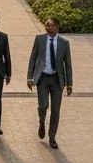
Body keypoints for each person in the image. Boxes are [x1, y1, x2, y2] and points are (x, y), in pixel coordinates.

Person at [27, 17, 73, 149]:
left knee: (55, 110)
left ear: (57, 27)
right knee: (43, 106)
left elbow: (68, 65)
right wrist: (29, 77)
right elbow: (33, 58)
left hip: (57, 81)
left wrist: (69, 84)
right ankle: (41, 122)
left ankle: (52, 136)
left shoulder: (64, 43)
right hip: (42, 78)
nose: (48, 28)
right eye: (47, 25)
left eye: (51, 26)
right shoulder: (39, 39)